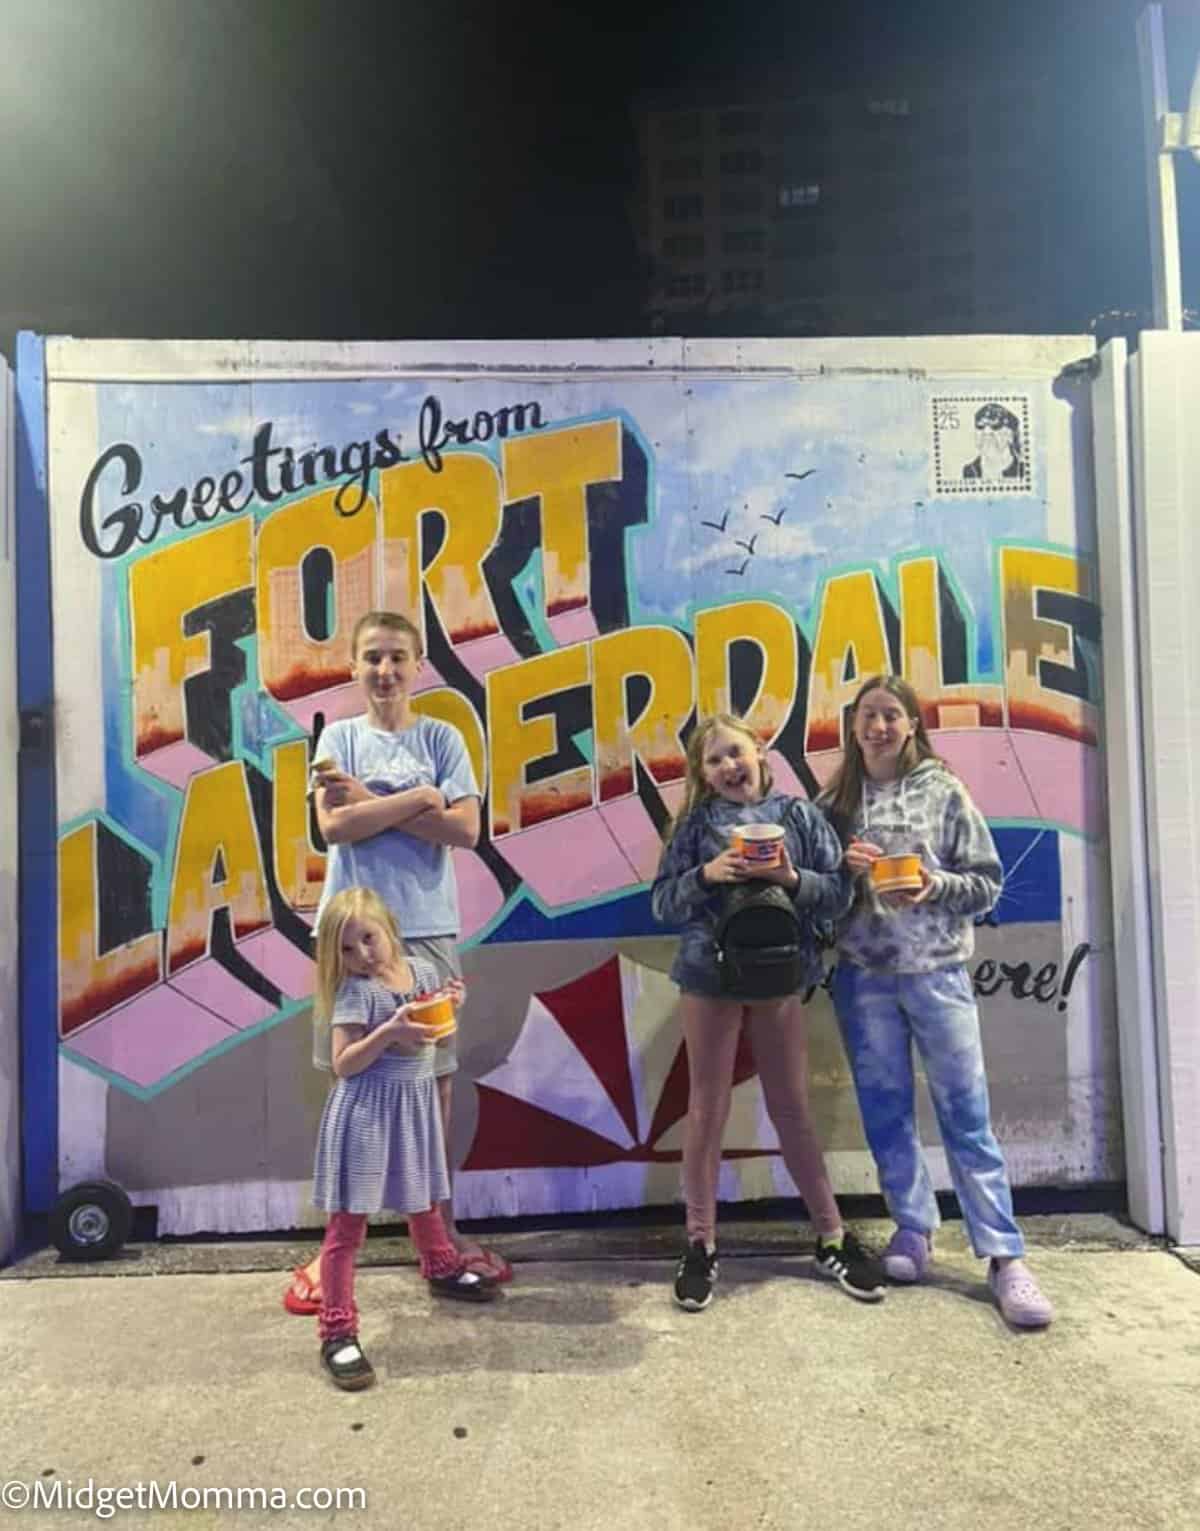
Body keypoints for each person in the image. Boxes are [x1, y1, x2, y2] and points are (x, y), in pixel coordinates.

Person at [283, 610, 511, 1319]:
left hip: (429, 930)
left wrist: (370, 800)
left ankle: (435, 1239)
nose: (385, 670)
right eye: (372, 656)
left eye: (397, 657)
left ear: (418, 666)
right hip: (349, 934)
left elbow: (466, 829)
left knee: (430, 1090)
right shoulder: (338, 740)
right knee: (353, 1082)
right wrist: (416, 798)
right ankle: (336, 1248)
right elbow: (334, 827)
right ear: (354, 666)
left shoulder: (442, 737)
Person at [820, 674, 1053, 1328]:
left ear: (912, 724)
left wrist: (933, 882)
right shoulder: (835, 802)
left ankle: (1005, 1255)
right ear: (853, 725)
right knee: (886, 1110)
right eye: (869, 715)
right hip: (863, 976)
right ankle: (913, 1228)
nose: (879, 726)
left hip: (938, 973)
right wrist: (842, 867)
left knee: (965, 1111)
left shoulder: (946, 791)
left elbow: (986, 884)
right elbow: (814, 893)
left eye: (891, 714)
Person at [650, 712, 887, 1312]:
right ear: (703, 775)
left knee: (792, 1108)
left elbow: (837, 895)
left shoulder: (800, 817)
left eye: (736, 753)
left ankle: (830, 1235)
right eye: (715, 760)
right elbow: (662, 905)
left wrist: (790, 876)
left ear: (760, 752)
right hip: (709, 976)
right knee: (707, 1110)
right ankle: (701, 1243)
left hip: (783, 977)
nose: (729, 766)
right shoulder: (697, 825)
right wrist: (706, 875)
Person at [308, 887, 499, 1391]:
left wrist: (450, 1003)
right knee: (348, 1226)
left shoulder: (423, 972)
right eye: (347, 950)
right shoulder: (355, 993)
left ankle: (438, 1263)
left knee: (423, 1192)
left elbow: (434, 1032)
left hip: (411, 1106)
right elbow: (344, 1064)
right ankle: (337, 1329)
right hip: (366, 1113)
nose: (363, 955)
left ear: (390, 929)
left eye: (369, 939)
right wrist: (388, 1033)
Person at [961, 401, 1026, 482]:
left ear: (1011, 434)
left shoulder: (1023, 470)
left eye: (995, 426)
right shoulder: (969, 471)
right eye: (980, 427)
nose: (987, 432)